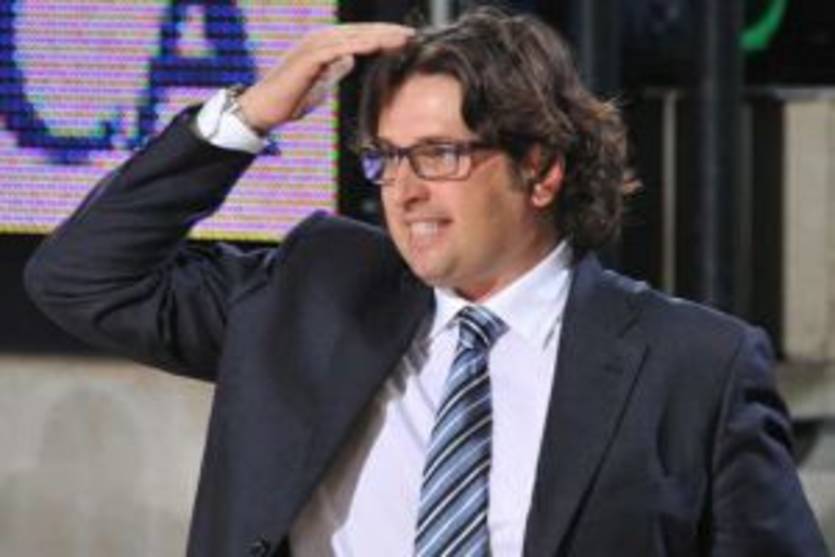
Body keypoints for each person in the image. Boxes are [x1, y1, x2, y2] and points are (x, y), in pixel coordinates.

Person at [24, 7, 827, 557]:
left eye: (438, 155)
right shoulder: (315, 291)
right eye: (387, 158)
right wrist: (250, 116)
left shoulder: (695, 365)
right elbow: (81, 278)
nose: (402, 190)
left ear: (539, 168)